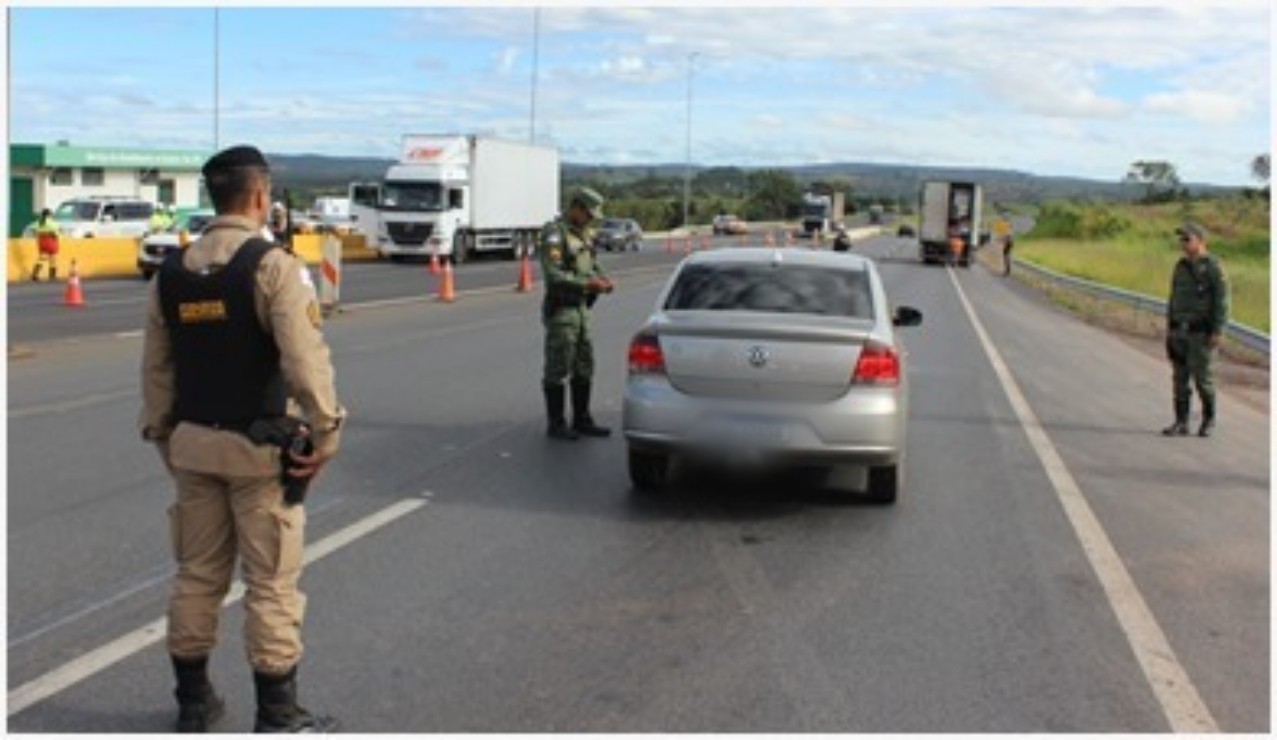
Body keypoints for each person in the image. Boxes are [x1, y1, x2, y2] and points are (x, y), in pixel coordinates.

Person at [139, 145, 346, 732]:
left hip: (193, 446)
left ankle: (193, 704)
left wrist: (165, 440)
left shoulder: (172, 273)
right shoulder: (272, 266)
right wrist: (326, 433)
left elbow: (157, 372)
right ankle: (278, 717)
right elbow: (305, 362)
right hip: (259, 454)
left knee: (197, 575)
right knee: (271, 584)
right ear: (260, 196)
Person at [538, 187, 615, 441]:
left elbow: (592, 263)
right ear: (576, 207)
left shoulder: (584, 234)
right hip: (563, 311)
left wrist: (603, 279)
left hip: (582, 310)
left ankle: (582, 419)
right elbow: (554, 275)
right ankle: (556, 424)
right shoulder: (554, 234)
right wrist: (587, 285)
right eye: (589, 213)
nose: (591, 219)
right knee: (558, 367)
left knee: (584, 365)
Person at [1161, 221, 1229, 438]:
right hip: (1180, 330)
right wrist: (1170, 327)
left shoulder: (1213, 267)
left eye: (1187, 239)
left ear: (1201, 241)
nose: (1183, 243)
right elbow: (1174, 298)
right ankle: (1181, 421)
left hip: (1201, 334)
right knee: (1179, 379)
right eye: (1181, 239)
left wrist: (1217, 330)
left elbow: (1222, 301)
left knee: (1203, 380)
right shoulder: (1180, 266)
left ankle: (1209, 419)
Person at [32, 208, 60, 281]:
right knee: (53, 258)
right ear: (49, 215)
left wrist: (40, 233)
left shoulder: (38, 222)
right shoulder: (53, 223)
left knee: (41, 258)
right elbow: (56, 233)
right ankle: (52, 276)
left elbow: (33, 229)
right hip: (51, 240)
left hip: (41, 240)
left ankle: (35, 274)